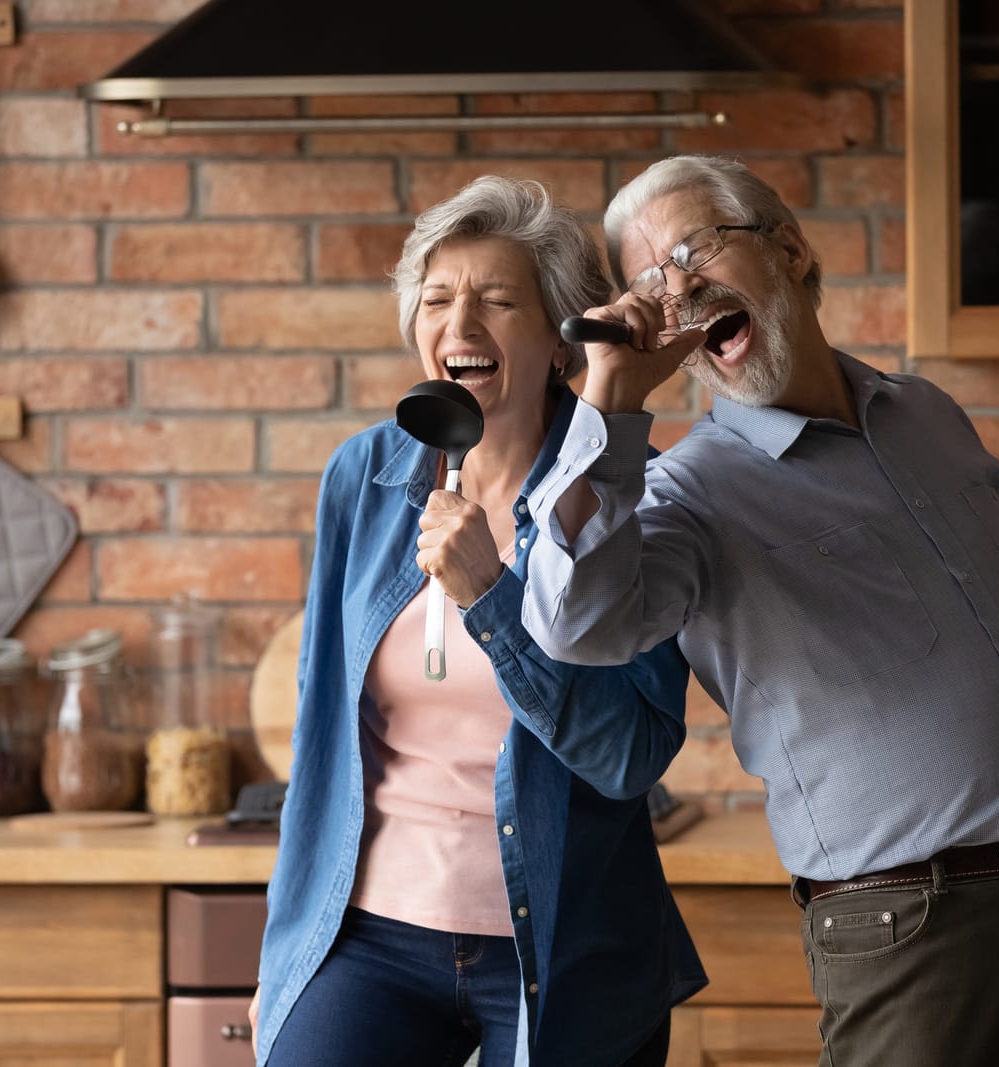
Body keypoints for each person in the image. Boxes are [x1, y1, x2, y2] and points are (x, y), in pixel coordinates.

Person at [520, 154, 999, 1067]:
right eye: (649, 280)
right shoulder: (684, 493)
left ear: (790, 248)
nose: (677, 288)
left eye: (695, 248)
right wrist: (609, 400)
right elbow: (574, 622)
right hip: (915, 937)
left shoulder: (925, 415)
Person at [251, 175, 705, 1067]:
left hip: (566, 947)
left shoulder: (633, 488)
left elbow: (631, 755)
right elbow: (322, 718)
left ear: (558, 336)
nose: (460, 328)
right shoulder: (365, 475)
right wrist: (290, 942)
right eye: (437, 300)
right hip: (368, 934)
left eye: (498, 301)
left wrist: (490, 597)